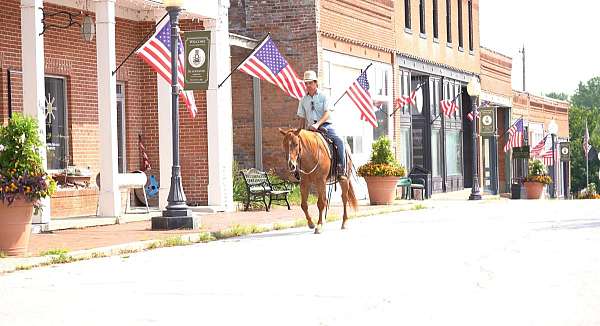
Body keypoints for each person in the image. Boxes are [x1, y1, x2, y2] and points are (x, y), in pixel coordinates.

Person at [297, 70, 346, 179]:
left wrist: (317, 124)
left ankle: (341, 168)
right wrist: (299, 131)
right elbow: (301, 118)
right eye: (306, 83)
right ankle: (298, 169)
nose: (308, 85)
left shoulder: (324, 96)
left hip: (325, 126)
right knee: (297, 145)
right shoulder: (303, 100)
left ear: (316, 83)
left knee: (340, 140)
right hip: (310, 129)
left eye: (310, 82)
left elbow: (327, 112)